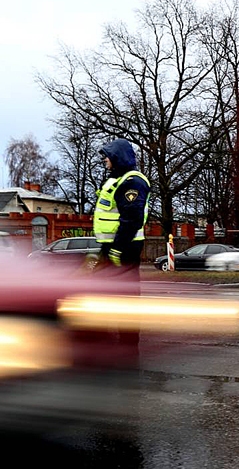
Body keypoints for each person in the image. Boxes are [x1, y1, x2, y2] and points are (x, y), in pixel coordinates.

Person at [93, 138, 151, 346]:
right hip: (111, 246)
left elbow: (132, 219)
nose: (105, 160)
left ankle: (126, 344)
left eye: (107, 156)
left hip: (124, 247)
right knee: (98, 289)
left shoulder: (132, 181)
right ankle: (102, 338)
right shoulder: (116, 179)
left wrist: (117, 248)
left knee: (124, 294)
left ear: (117, 157)